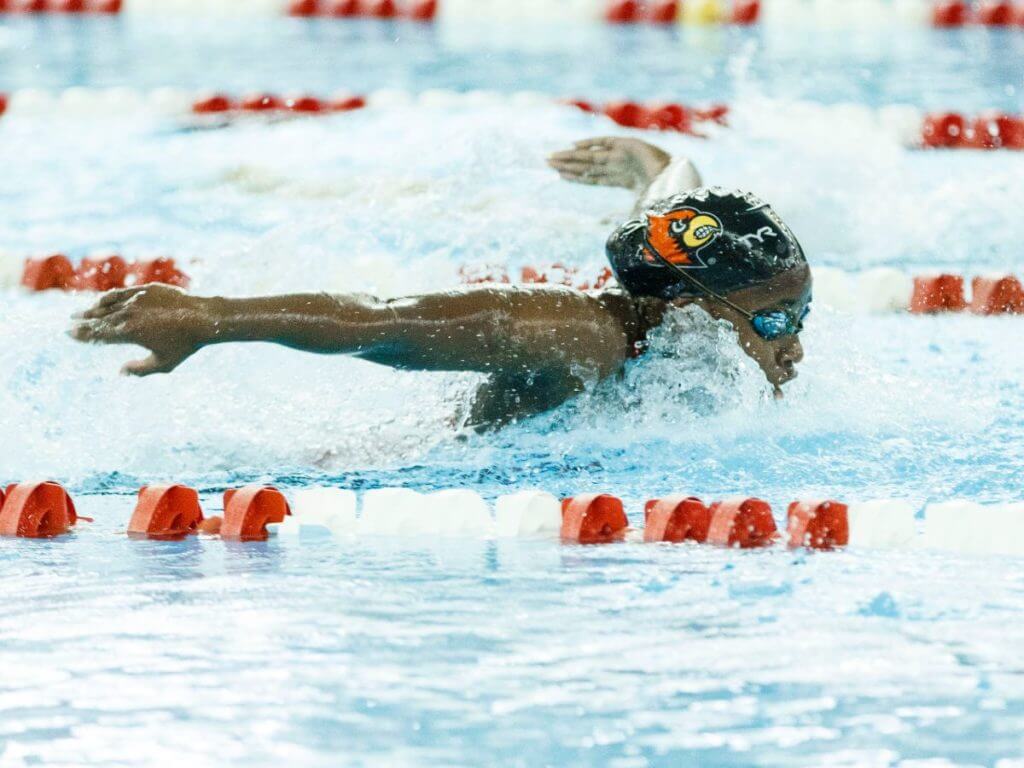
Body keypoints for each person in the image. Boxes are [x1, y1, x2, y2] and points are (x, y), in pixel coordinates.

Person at [70, 137, 810, 430]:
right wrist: (210, 316)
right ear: (688, 311)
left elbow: (669, 209)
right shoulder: (586, 335)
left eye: (800, 312)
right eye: (777, 319)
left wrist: (651, 165)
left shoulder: (679, 304)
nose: (796, 345)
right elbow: (391, 322)